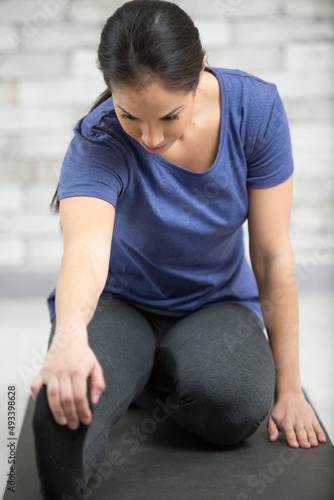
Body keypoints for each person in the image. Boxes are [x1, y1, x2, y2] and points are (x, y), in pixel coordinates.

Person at [30, 0, 327, 498]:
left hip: (213, 306)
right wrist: (70, 337)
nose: (149, 138)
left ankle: (157, 372)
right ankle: (135, 364)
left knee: (233, 406)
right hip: (119, 304)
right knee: (65, 415)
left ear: (200, 68)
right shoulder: (98, 139)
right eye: (130, 116)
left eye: (169, 117)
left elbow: (273, 256)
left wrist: (291, 389)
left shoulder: (255, 111)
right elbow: (84, 250)